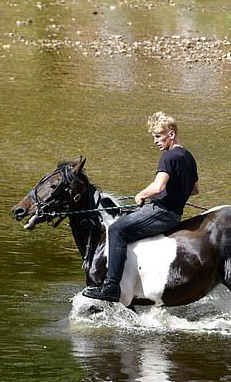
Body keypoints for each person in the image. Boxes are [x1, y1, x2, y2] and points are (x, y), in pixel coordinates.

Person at [82, 111, 199, 302]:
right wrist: (176, 192)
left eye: (158, 135)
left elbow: (158, 185)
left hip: (162, 212)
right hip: (174, 214)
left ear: (171, 134)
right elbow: (195, 189)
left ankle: (111, 286)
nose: (155, 141)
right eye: (154, 136)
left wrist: (141, 194)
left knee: (116, 230)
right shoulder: (189, 157)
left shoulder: (169, 157)